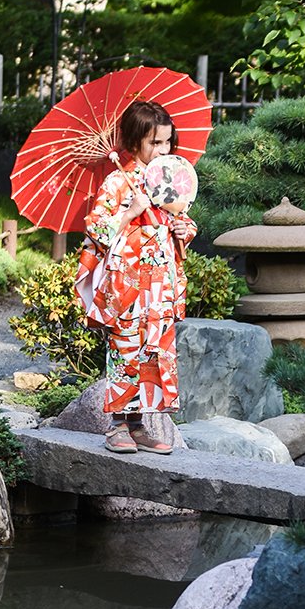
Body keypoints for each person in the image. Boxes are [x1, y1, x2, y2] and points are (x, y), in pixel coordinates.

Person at [76, 99, 197, 455]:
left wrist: (180, 228)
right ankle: (117, 427)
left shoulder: (170, 179)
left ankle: (141, 424)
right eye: (154, 143)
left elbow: (186, 221)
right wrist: (129, 213)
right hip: (128, 283)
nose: (163, 149)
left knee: (155, 351)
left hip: (161, 283)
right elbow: (96, 228)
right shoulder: (117, 181)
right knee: (127, 349)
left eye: (167, 142)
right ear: (133, 143)